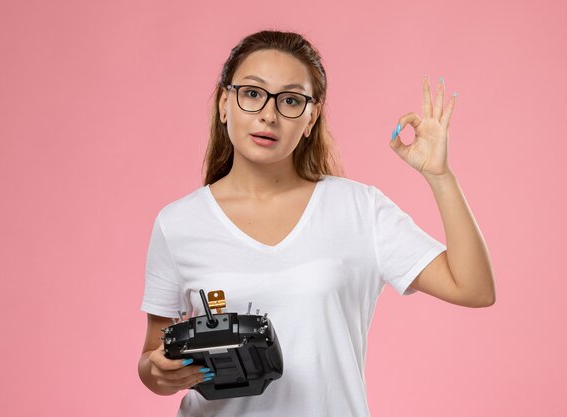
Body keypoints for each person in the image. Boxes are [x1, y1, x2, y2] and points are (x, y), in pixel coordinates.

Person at [137, 30, 496, 417]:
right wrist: (160, 373)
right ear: (225, 103)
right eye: (253, 93)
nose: (268, 114)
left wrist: (440, 177)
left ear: (311, 118)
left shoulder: (359, 208)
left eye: (290, 100)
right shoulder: (178, 224)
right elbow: (151, 361)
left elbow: (474, 288)